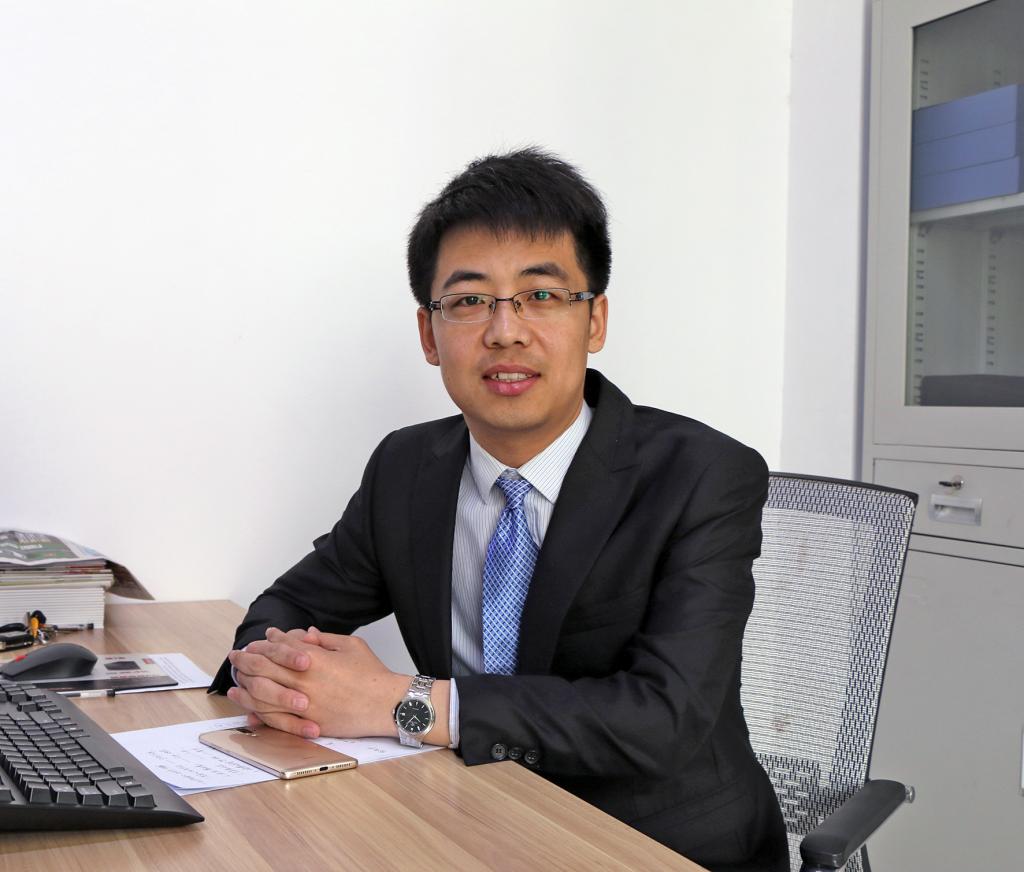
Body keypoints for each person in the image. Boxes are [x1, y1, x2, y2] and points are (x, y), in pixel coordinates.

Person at [210, 148, 788, 872]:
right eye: (469, 301)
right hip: (468, 821)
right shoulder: (407, 467)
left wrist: (400, 702)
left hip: (653, 843)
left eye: (541, 295)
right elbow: (286, 607)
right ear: (430, 335)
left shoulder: (701, 475)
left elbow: (661, 719)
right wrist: (281, 677)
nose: (506, 331)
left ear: (596, 320)